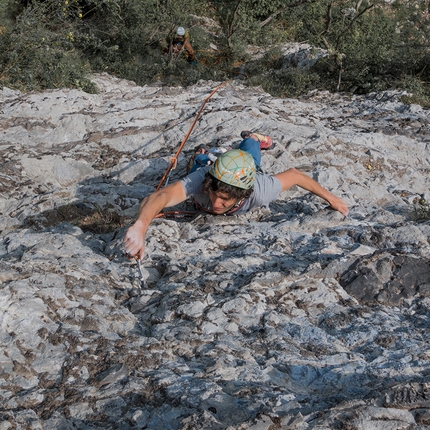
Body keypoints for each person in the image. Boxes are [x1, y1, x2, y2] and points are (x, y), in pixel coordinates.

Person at [124, 131, 349, 260]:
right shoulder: (202, 180)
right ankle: (203, 156)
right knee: (198, 165)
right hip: (209, 168)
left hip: (247, 169)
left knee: (250, 153)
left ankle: (252, 137)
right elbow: (160, 197)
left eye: (225, 200)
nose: (216, 203)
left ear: (242, 195)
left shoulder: (260, 189)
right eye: (214, 194)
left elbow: (295, 175)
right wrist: (140, 227)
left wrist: (331, 198)